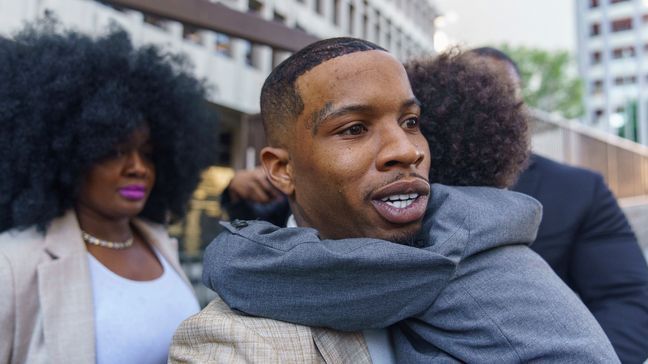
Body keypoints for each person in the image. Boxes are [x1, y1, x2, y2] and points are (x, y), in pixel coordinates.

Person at [170, 39, 618, 362]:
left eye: (410, 120)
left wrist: (230, 258)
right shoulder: (227, 343)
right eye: (354, 129)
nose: (408, 150)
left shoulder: (480, 248)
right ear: (282, 169)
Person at [0, 20, 217, 364]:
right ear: (67, 154)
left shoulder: (159, 241)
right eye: (114, 151)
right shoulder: (13, 262)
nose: (137, 167)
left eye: (147, 152)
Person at [469, 46, 648, 364]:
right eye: (467, 98)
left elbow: (626, 298)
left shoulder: (577, 190)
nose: (483, 111)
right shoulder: (407, 184)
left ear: (522, 107)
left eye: (499, 96)